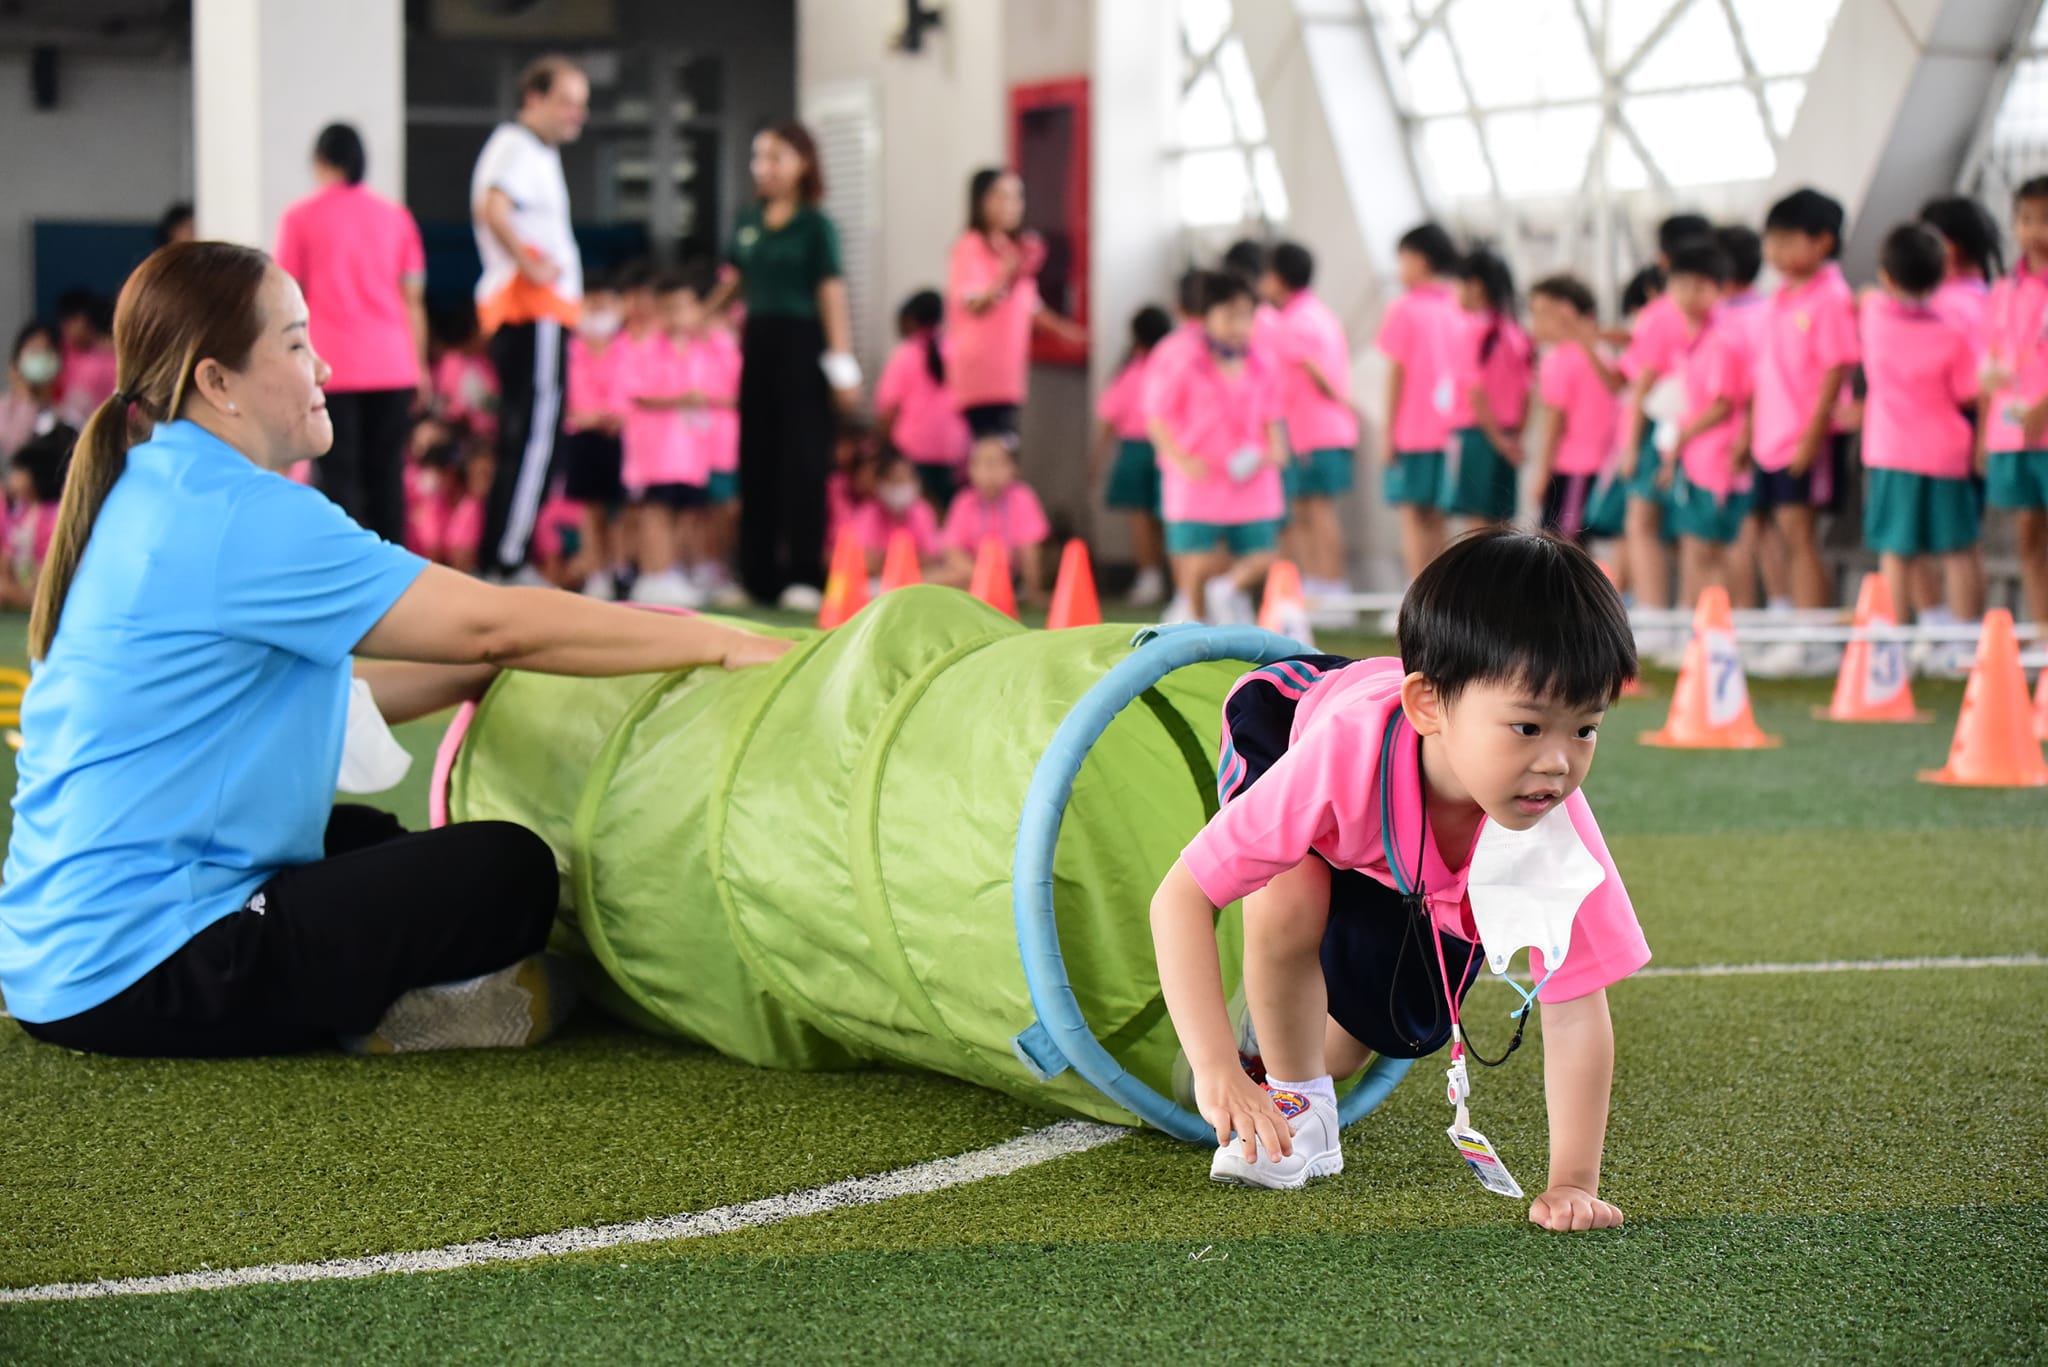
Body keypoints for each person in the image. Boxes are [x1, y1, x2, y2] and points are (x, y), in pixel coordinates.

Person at [0, 241, 789, 1059]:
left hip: (58, 961)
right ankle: (389, 1010)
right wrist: (719, 642)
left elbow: (315, 700)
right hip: (146, 971)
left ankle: (369, 984)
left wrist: (480, 669)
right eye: (296, 343)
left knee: (368, 837)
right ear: (217, 382)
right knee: (509, 869)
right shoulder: (243, 515)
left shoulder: (151, 484)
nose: (324, 366)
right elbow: (495, 623)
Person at [1149, 528, 1644, 1226]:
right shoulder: (1339, 758)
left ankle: (1282, 1040)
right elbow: (1181, 896)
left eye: (1585, 729)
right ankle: (1298, 1105)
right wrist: (1217, 1072)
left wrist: (1572, 1181)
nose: (1559, 763)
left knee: (1366, 1037)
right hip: (1298, 732)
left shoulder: (1553, 829)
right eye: (1529, 728)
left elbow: (1575, 1005)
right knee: (1288, 893)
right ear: (1429, 706)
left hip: (1405, 865)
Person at [718, 121, 859, 611]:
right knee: (755, 459)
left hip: (803, 346)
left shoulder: (817, 226)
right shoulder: (747, 220)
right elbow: (735, 281)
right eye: (759, 157)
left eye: (776, 157)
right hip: (757, 344)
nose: (765, 168)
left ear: (803, 163)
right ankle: (756, 575)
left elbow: (831, 294)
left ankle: (803, 574)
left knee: (802, 461)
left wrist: (843, 366)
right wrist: (703, 314)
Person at [274, 122, 430, 545]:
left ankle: (346, 567)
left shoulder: (300, 217)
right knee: (387, 476)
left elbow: (283, 298)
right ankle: (394, 571)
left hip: (331, 367)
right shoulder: (395, 217)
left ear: (320, 161)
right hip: (393, 365)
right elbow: (413, 299)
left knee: (338, 477)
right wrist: (419, 366)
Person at [470, 54, 589, 581]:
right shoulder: (518, 146)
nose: (576, 115)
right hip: (532, 309)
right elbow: (493, 208)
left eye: (581, 105)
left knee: (530, 438)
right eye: (566, 102)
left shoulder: (534, 151)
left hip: (538, 312)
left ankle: (503, 553)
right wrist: (531, 264)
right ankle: (507, 556)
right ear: (534, 98)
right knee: (537, 439)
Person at [1860, 223, 1983, 641]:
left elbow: (1867, 297)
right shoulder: (1954, 332)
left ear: (1886, 275)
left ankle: (1894, 643)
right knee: (1958, 549)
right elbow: (1967, 392)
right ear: (1943, 274)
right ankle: (1965, 640)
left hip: (1892, 451)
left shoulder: (1874, 317)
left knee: (1897, 552)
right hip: (1947, 452)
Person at [1145, 271, 1288, 625]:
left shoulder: (1262, 361)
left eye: (1246, 316)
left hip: (1252, 473)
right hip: (1199, 474)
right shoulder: (1181, 357)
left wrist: (1277, 447)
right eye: (1228, 316)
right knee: (1194, 559)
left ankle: (1227, 590)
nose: (1238, 326)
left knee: (1265, 553)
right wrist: (1180, 460)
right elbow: (1156, 417)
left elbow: (1271, 414)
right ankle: (1195, 620)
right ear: (1205, 316)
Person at [1753, 188, 1858, 615]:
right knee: (1780, 529)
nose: (1775, 252)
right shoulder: (1780, 298)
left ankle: (1813, 627)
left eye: (1787, 241)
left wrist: (1813, 436)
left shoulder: (1830, 297)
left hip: (1805, 436)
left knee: (1801, 532)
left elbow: (1837, 367)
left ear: (1823, 242)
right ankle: (1793, 618)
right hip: (1772, 437)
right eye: (1771, 241)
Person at [1614, 215, 1713, 620]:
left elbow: (1642, 383)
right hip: (1701, 426)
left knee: (1642, 522)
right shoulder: (1715, 313)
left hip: (1660, 427)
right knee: (1687, 531)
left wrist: (1630, 447)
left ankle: (1655, 614)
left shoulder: (1659, 313)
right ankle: (1683, 614)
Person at [945, 169, 1088, 442]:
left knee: (1005, 451)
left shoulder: (1009, 249)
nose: (1010, 205)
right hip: (980, 373)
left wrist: (1068, 331)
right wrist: (1007, 274)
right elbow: (975, 304)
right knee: (990, 454)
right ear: (981, 201)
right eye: (1001, 196)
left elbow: (1030, 306)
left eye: (1016, 197)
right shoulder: (970, 246)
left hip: (1007, 374)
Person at [1259, 242, 1358, 612]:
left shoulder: (1294, 321)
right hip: (1316, 431)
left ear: (1278, 278)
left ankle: (1332, 587)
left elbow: (1315, 369)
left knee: (1317, 511)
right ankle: (1319, 584)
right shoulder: (1317, 313)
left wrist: (1337, 395)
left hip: (1314, 431)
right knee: (1306, 511)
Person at [1658, 241, 1753, 609]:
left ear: (1719, 289)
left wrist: (1682, 437)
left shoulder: (1721, 340)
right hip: (1695, 460)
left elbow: (1723, 404)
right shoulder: (1688, 342)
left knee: (1717, 550)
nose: (1688, 295)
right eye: (1680, 284)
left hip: (1718, 461)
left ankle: (1730, 623)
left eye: (1699, 286)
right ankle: (1700, 620)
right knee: (1696, 546)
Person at [1376, 223, 1465, 582]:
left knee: (1413, 517)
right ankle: (1440, 593)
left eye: (1403, 259)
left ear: (1420, 260)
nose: (1399, 269)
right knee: (1438, 517)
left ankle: (1416, 593)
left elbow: (1396, 373)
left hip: (1412, 431)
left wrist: (1388, 431)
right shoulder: (1458, 304)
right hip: (1452, 430)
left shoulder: (1404, 308)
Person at [618, 271, 711, 607]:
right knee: (655, 512)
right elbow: (637, 392)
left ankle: (670, 571)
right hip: (654, 452)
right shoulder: (644, 348)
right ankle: (653, 574)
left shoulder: (699, 349)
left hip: (689, 452)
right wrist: (681, 399)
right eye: (669, 309)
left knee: (680, 513)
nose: (677, 317)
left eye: (683, 308)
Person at [1982, 176, 2048, 636]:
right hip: (2012, 432)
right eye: (2025, 219)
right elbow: (1990, 353)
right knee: (2028, 535)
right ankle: (2043, 635)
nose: (2034, 230)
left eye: (2045, 219)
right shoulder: (2004, 288)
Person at [1527, 275, 1621, 545]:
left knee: (1562, 545)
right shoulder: (1600, 353)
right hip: (1601, 464)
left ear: (1565, 311)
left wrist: (1542, 474)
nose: (1535, 323)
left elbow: (1554, 421)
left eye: (1541, 313)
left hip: (1574, 466)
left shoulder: (1560, 359)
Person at [1443, 248, 1532, 528]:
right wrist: (1513, 439)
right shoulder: (1516, 332)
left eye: (1458, 284)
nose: (1454, 292)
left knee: (1477, 522)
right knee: (1501, 522)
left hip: (1478, 435)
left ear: (1476, 286)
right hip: (1509, 433)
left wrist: (1496, 440)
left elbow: (1475, 391)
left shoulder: (1472, 330)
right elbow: (1526, 392)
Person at [1094, 304, 1174, 607]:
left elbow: (1108, 421)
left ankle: (1150, 576)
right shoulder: (1173, 367)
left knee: (1141, 519)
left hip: (1137, 450)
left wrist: (1096, 460)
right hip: (1172, 450)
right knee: (1170, 518)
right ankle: (1173, 578)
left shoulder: (1131, 372)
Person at [561, 270, 628, 600]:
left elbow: (630, 388)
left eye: (605, 305)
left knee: (622, 509)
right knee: (590, 510)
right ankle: (596, 571)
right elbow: (565, 396)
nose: (599, 312)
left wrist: (616, 415)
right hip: (582, 435)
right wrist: (588, 417)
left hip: (620, 434)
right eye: (592, 305)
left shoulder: (625, 347)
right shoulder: (568, 350)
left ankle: (621, 568)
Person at [875, 290, 971, 509]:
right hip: (955, 451)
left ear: (910, 319)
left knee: (916, 514)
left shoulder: (905, 355)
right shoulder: (957, 352)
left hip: (912, 452)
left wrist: (883, 446)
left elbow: (889, 410)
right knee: (949, 514)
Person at [939, 433, 1050, 604]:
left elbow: (1030, 551)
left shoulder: (1022, 497)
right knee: (947, 578)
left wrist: (1033, 589)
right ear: (970, 470)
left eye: (997, 463)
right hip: (971, 573)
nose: (989, 471)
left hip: (1009, 578)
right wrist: (982, 575)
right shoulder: (964, 501)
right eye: (983, 463)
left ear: (1013, 468)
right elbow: (953, 551)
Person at [854, 451, 946, 578]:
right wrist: (911, 558)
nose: (902, 484)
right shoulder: (869, 513)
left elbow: (932, 557)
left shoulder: (922, 510)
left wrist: (889, 558)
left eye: (907, 478)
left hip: (917, 578)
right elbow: (867, 561)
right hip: (879, 580)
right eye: (895, 480)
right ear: (880, 484)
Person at [1, 321, 66, 461]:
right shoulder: (5, 409)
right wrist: (27, 397)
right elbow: (15, 451)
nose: (40, 357)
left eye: (46, 350)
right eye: (34, 351)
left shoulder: (70, 403)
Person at [53, 290, 116, 421]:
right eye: (65, 322)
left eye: (74, 320)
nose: (68, 328)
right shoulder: (58, 352)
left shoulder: (109, 357)